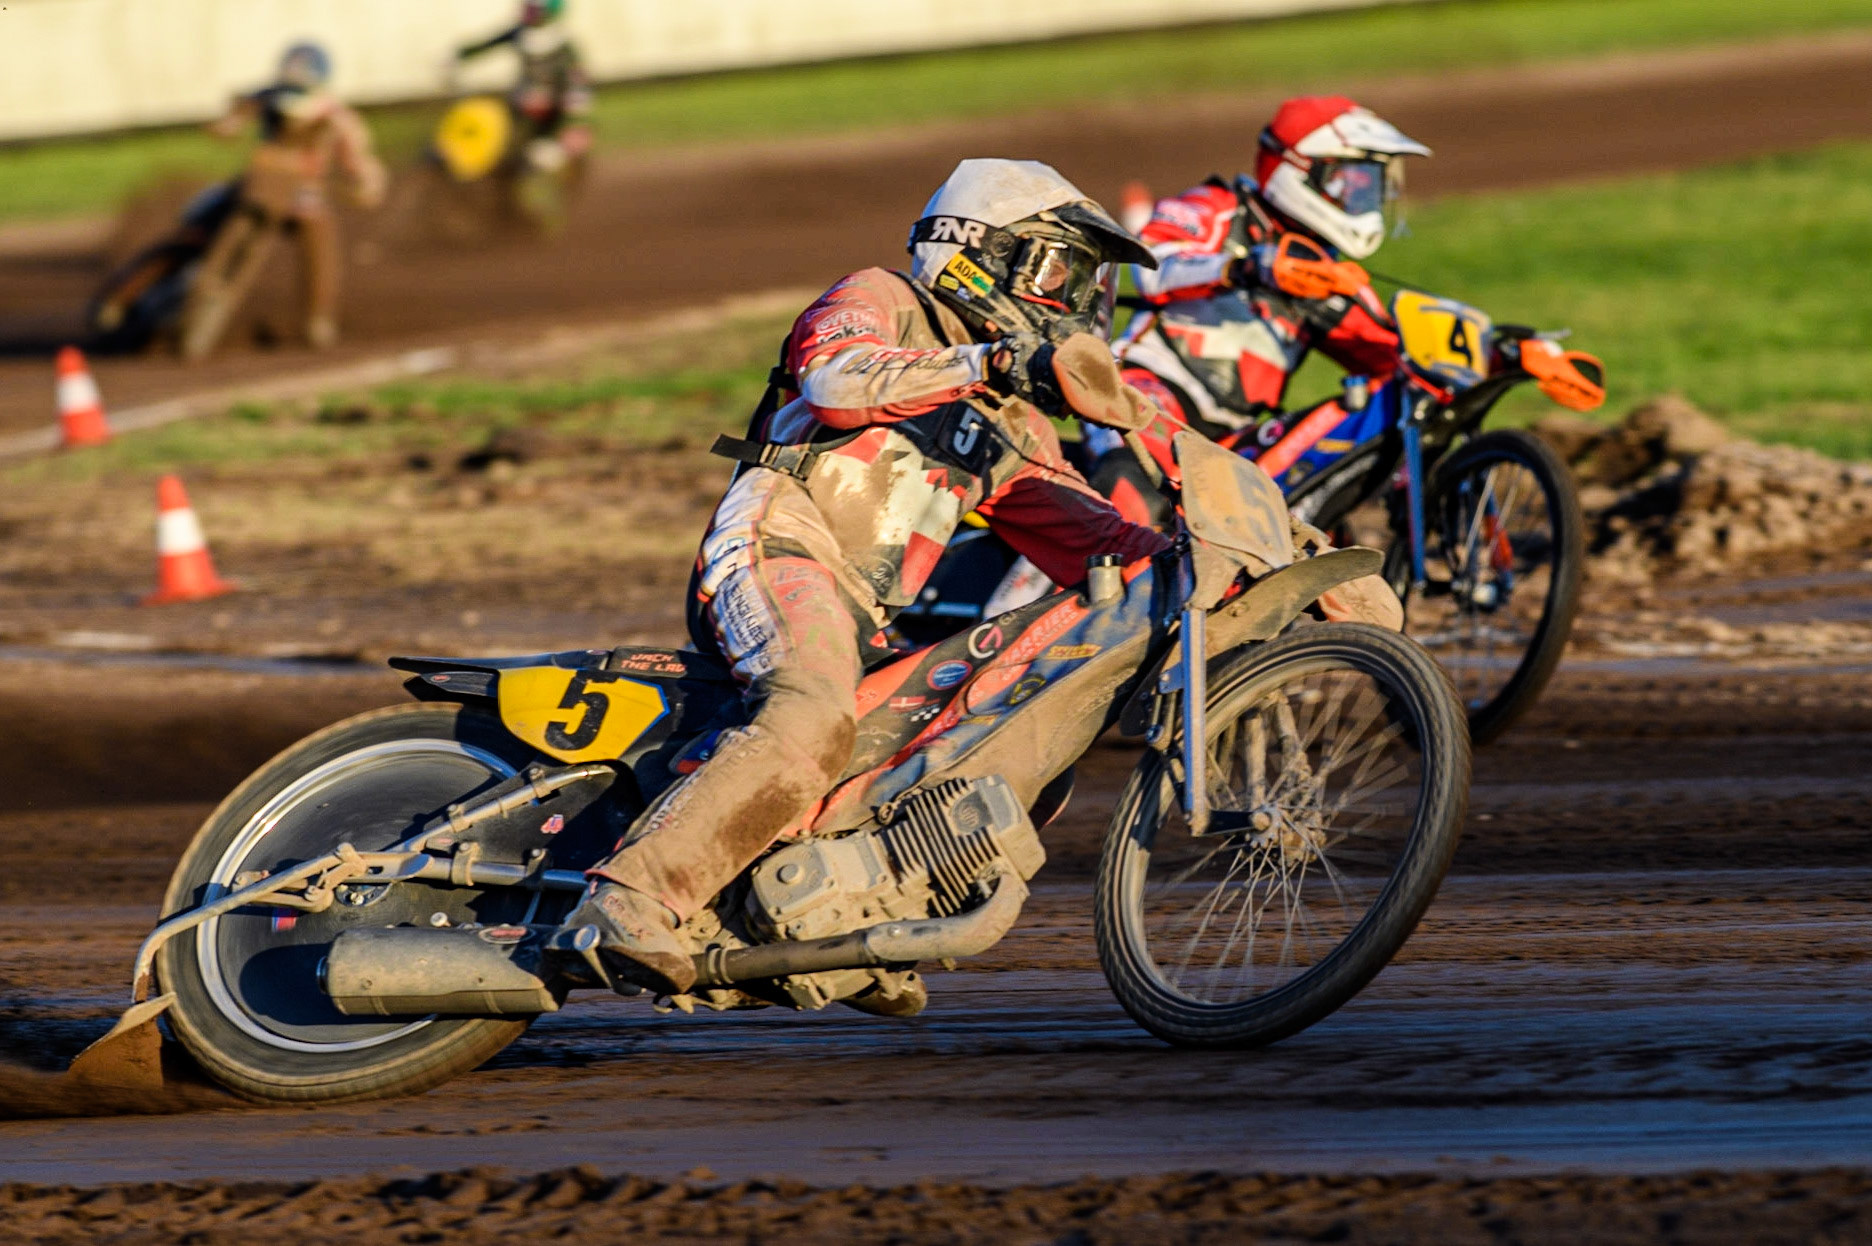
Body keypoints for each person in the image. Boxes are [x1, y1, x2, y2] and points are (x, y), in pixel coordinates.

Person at [563, 159, 1171, 995]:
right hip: (777, 544)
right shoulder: (884, 297)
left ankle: (842, 922)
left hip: (861, 612)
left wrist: (1232, 557)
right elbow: (836, 384)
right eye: (1062, 271)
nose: (1076, 303)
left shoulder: (1017, 426)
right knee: (813, 715)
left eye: (1090, 285)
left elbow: (1097, 541)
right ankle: (628, 898)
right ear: (982, 253)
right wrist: (990, 360)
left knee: (996, 729)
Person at [1105, 96, 1431, 499]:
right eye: (1353, 180)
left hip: (1236, 436)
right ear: (1303, 172)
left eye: (1373, 185)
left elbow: (1394, 352)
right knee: (1132, 496)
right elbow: (1153, 266)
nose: (1366, 198)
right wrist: (1247, 267)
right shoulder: (1220, 209)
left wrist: (1500, 354)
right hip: (1146, 393)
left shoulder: (1329, 271)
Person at [201, 41, 385, 351]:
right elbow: (235, 116)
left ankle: (317, 318)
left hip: (304, 195)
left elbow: (357, 157)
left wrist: (365, 179)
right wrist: (227, 125)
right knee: (209, 219)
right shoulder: (266, 97)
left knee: (320, 248)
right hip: (262, 186)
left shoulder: (334, 116)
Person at [452, 0, 593, 174]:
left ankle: (543, 152)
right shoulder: (520, 34)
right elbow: (488, 44)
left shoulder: (561, 43)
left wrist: (576, 96)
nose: (527, 13)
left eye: (532, 9)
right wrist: (460, 55)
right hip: (524, 98)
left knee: (550, 145)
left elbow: (576, 75)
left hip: (553, 104)